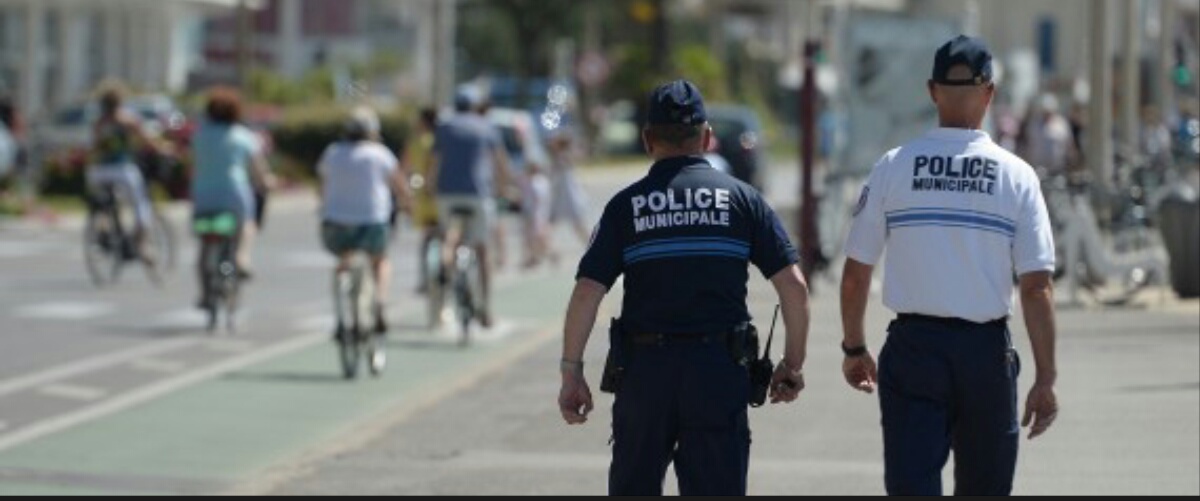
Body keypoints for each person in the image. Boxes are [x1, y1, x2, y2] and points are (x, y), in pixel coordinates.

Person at [557, 79, 812, 496]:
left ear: (647, 139)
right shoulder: (744, 200)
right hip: (718, 371)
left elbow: (588, 290)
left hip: (644, 375)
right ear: (707, 137)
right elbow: (795, 289)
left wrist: (572, 373)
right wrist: (792, 364)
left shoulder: (626, 206)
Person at [839, 35, 1059, 496]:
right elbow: (1036, 287)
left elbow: (857, 272)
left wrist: (855, 347)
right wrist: (1045, 378)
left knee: (912, 485)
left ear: (932, 90)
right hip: (985, 356)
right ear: (990, 93)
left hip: (915, 350)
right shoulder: (1017, 176)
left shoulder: (892, 167)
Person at [317, 107, 410, 335]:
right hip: (372, 222)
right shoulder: (380, 153)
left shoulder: (333, 152)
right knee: (380, 260)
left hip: (335, 223)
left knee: (342, 260)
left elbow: (322, 185)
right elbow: (400, 187)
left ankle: (341, 316)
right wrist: (408, 204)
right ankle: (380, 301)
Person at [429, 85, 515, 328]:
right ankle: (486, 309)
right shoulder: (486, 126)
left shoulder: (444, 127)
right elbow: (501, 163)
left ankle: (446, 264)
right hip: (478, 193)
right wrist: (506, 187)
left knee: (449, 236)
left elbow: (434, 161)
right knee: (483, 250)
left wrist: (430, 187)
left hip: (447, 193)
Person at [191, 86, 274, 291]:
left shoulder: (200, 135)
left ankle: (204, 294)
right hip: (233, 192)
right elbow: (259, 171)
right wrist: (267, 182)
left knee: (204, 245)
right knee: (247, 224)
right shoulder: (242, 136)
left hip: (202, 195)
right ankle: (241, 257)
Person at [87, 85, 168, 264]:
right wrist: (163, 149)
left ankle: (103, 229)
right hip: (121, 169)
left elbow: (93, 147)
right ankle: (143, 247)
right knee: (141, 205)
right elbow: (147, 140)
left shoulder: (99, 122)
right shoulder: (127, 120)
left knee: (104, 203)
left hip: (98, 171)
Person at [404, 107, 440, 293]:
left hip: (421, 195)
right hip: (438, 193)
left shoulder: (415, 141)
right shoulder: (439, 141)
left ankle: (424, 279)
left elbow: (405, 167)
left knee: (426, 238)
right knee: (444, 234)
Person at [546, 127, 592, 245]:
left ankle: (590, 244)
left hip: (568, 194)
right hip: (563, 194)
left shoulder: (563, 157)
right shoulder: (559, 157)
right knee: (557, 223)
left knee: (576, 224)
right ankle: (545, 249)